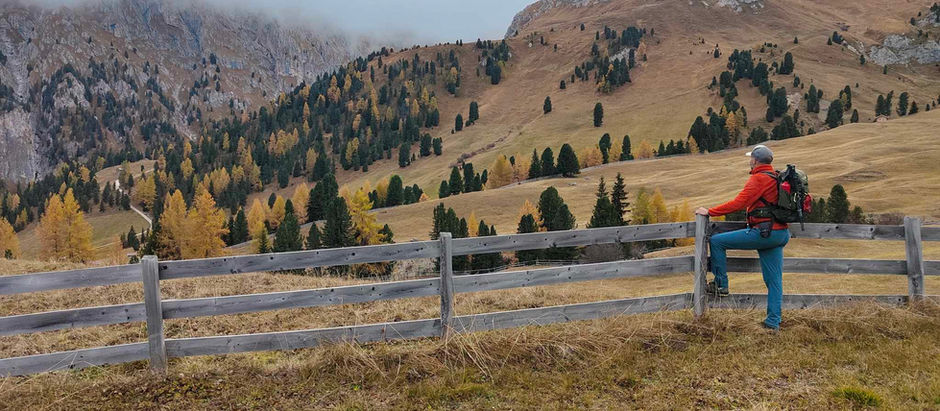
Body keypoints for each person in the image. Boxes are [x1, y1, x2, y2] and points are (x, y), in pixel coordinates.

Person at [694, 144, 790, 330]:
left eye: (751, 159)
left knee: (717, 241)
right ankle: (773, 322)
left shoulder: (759, 179)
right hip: (779, 234)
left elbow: (739, 203)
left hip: (764, 233)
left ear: (755, 160)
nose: (750, 161)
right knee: (774, 280)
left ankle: (721, 284)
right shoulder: (775, 176)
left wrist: (710, 211)